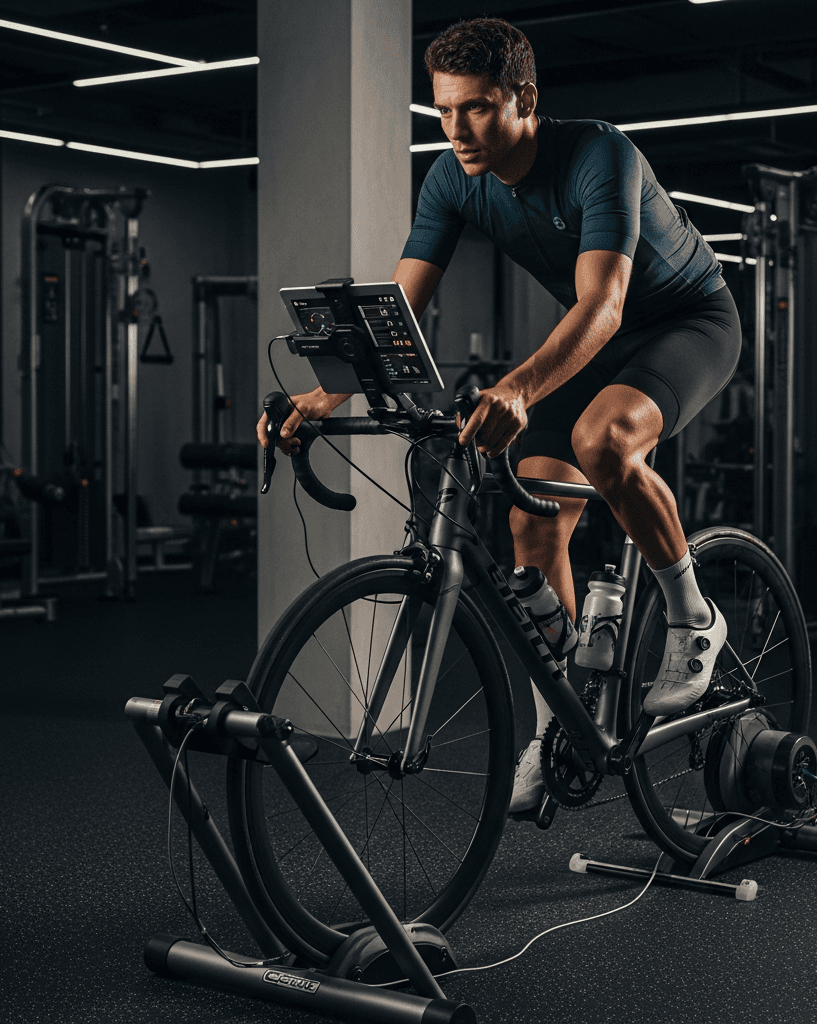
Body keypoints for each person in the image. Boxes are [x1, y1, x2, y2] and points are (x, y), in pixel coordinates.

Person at [258, 17, 742, 814]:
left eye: (476, 108)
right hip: (596, 341)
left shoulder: (598, 154)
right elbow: (398, 308)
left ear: (524, 96)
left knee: (603, 438)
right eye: (443, 112)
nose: (457, 130)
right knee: (534, 518)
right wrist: (325, 395)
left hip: (686, 322)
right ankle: (560, 732)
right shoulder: (452, 176)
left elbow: (606, 303)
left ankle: (695, 613)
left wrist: (516, 389)